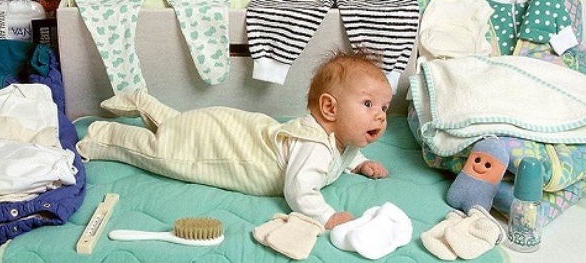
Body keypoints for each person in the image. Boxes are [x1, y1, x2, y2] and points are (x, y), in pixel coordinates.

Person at [76, 47, 391, 229]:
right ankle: (103, 136)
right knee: (165, 152)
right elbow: (299, 190)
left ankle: (145, 103)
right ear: (329, 108)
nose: (380, 115)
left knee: (182, 127)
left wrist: (358, 163)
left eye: (384, 107)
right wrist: (327, 216)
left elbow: (343, 151)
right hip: (226, 148)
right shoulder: (313, 146)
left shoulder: (338, 140)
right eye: (368, 104)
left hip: (232, 126)